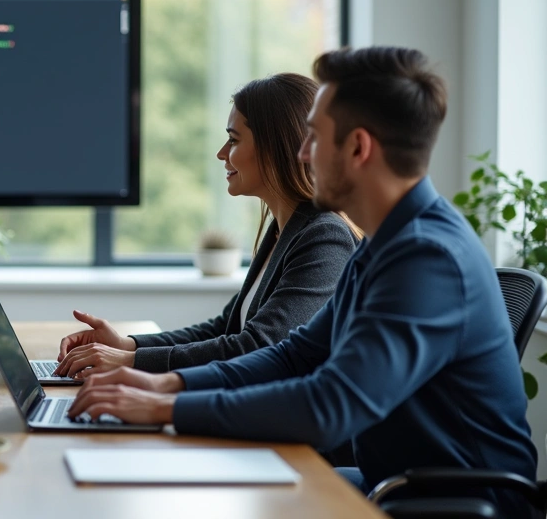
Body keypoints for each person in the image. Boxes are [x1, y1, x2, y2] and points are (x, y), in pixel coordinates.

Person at [68, 46, 538, 518]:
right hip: (393, 485)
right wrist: (167, 384)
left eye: (314, 137)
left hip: (450, 505)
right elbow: (293, 354)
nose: (302, 153)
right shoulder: (387, 242)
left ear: (358, 148)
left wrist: (163, 408)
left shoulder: (427, 258)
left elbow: (329, 406)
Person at [56, 73, 359, 378]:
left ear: (274, 147)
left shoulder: (324, 237)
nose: (221, 153)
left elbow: (257, 347)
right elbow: (225, 328)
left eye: (233, 140)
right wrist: (127, 345)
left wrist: (130, 361)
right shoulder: (282, 231)